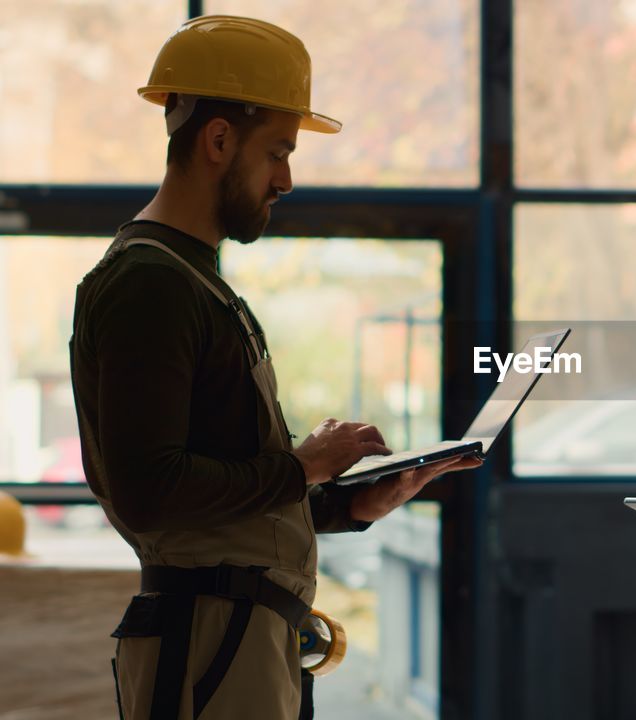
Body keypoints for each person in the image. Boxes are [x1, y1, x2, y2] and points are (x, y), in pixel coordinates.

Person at [68, 16, 481, 720]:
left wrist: (344, 504)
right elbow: (150, 491)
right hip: (209, 649)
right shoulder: (151, 283)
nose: (287, 179)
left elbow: (216, 503)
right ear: (219, 140)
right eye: (278, 152)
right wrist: (303, 467)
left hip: (236, 640)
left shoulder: (196, 280)